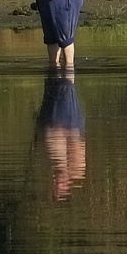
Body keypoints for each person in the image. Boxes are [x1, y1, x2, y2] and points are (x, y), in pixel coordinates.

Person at [35, 68, 86, 201]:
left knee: (62, 82)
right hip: (64, 118)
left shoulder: (56, 167)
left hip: (56, 119)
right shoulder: (76, 170)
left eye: (56, 186)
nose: (55, 182)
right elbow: (77, 139)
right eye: (59, 186)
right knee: (62, 82)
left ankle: (61, 63)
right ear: (68, 185)